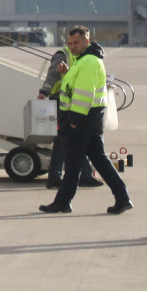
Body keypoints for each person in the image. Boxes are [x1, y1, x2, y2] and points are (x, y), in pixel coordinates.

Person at [40, 26, 131, 215]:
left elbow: (84, 95)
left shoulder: (89, 61)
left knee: (73, 165)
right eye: (70, 43)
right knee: (99, 161)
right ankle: (123, 197)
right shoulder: (83, 61)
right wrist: (67, 73)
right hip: (88, 122)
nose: (72, 47)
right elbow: (77, 86)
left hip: (82, 122)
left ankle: (63, 202)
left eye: (76, 43)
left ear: (86, 42)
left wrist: (73, 122)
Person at [39, 46, 100, 190]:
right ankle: (57, 177)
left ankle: (84, 175)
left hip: (71, 102)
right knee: (63, 141)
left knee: (75, 140)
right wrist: (44, 91)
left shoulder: (82, 57)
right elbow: (52, 75)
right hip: (62, 102)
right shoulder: (64, 55)